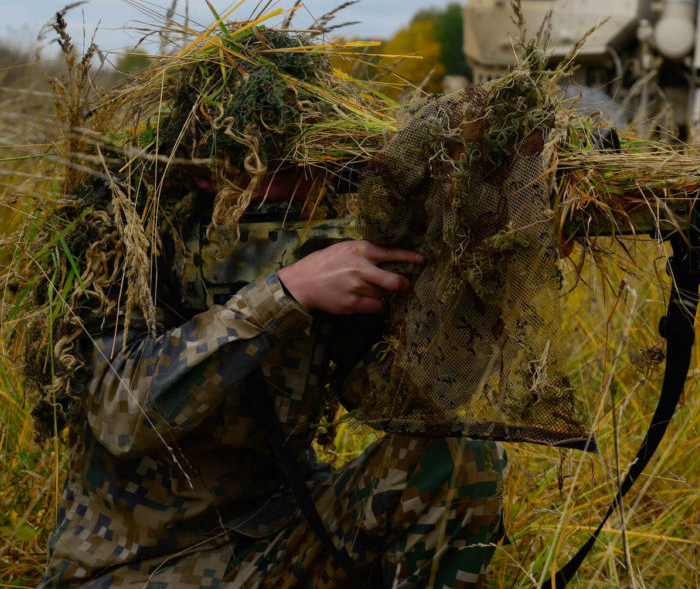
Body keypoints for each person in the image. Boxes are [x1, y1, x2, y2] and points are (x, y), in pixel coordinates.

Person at [39, 173, 508, 588]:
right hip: (133, 569)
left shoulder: (319, 236)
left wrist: (457, 290)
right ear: (205, 171)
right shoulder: (128, 236)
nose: (294, 182)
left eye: (304, 165)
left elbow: (394, 404)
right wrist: (285, 293)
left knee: (463, 457)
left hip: (275, 538)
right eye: (261, 162)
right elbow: (120, 417)